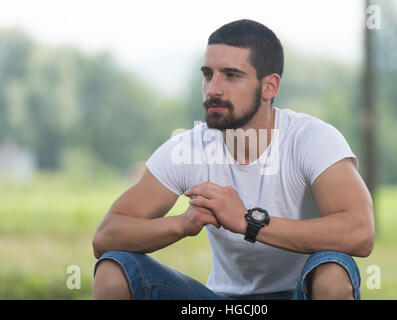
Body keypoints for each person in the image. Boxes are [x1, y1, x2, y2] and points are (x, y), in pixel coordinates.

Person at [92, 19, 375, 300]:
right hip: (221, 302)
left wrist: (247, 222)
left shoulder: (313, 139)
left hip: (300, 294)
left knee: (332, 272)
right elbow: (106, 236)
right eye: (208, 74)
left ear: (269, 86)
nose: (213, 89)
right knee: (112, 269)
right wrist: (180, 224)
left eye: (231, 75)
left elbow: (359, 231)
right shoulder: (187, 148)